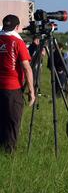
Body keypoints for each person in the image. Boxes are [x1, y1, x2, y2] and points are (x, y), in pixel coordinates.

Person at [0, 14, 35, 152]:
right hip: (12, 87)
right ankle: (9, 152)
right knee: (12, 121)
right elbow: (26, 68)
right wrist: (31, 91)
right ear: (17, 27)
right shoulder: (17, 42)